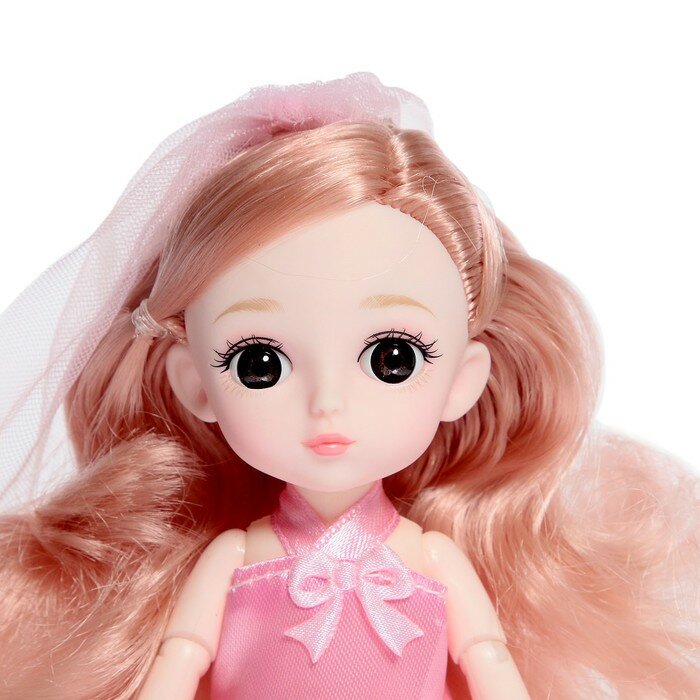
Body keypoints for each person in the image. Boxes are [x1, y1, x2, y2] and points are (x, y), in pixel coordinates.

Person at [0, 73, 697, 699]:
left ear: (462, 381)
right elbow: (181, 655)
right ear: (196, 385)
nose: (327, 403)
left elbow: (488, 656)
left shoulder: (430, 558)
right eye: (259, 364)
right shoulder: (235, 558)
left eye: (394, 359)